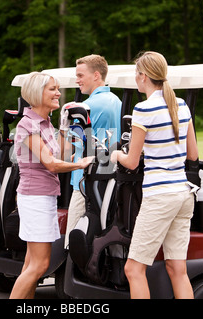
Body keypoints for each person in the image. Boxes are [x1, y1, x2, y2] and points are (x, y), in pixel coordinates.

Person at [111, 51, 199, 299]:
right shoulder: (181, 105)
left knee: (134, 269)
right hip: (183, 194)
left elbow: (131, 161)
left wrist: (115, 154)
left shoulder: (143, 109)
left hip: (160, 196)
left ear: (144, 76)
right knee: (177, 269)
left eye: (136, 75)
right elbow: (192, 154)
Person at [10, 72, 93, 299]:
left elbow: (61, 152)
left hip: (43, 197)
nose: (58, 93)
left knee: (31, 263)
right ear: (37, 94)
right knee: (40, 265)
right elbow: (52, 164)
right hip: (34, 198)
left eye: (57, 88)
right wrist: (80, 164)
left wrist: (65, 126)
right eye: (52, 89)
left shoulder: (44, 122)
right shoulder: (28, 125)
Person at [64, 54, 122, 248]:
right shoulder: (116, 101)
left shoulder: (86, 106)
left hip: (84, 182)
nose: (77, 80)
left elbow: (72, 144)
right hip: (108, 177)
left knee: (72, 241)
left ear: (96, 75)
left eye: (81, 75)